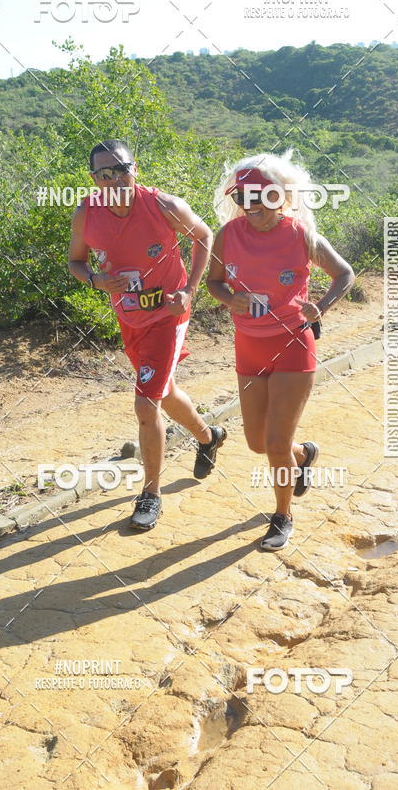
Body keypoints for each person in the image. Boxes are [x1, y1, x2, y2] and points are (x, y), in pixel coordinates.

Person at [69, 139, 227, 531]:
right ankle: (208, 437)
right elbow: (76, 261)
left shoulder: (163, 206)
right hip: (129, 317)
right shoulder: (85, 213)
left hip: (168, 316)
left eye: (121, 169)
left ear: (134, 168)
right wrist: (94, 280)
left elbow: (204, 235)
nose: (115, 179)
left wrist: (189, 291)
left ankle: (150, 495)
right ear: (94, 179)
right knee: (164, 391)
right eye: (105, 174)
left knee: (145, 403)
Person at [206, 151, 355, 551]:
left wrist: (319, 307)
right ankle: (302, 455)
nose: (251, 204)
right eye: (242, 197)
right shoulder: (227, 235)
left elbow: (344, 273)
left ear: (281, 195)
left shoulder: (301, 235)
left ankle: (283, 515)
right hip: (249, 346)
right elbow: (213, 282)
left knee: (273, 444)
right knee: (258, 442)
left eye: (261, 195)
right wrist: (230, 300)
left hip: (293, 346)